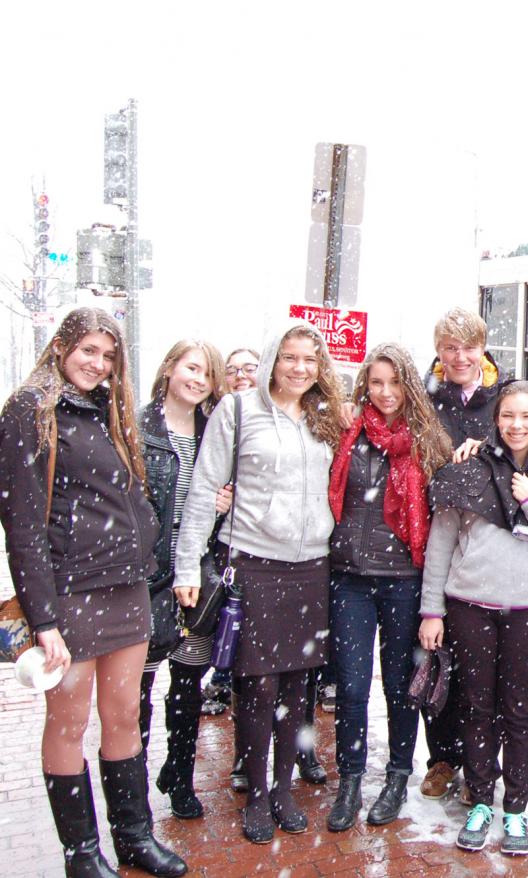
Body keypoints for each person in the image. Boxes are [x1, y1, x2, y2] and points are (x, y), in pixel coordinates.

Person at [0, 308, 187, 877]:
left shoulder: (109, 410)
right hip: (71, 592)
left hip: (126, 590)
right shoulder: (30, 411)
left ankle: (133, 837)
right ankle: (81, 852)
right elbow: (23, 527)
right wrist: (44, 618)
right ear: (62, 347)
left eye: (108, 355)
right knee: (68, 722)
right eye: (87, 350)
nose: (97, 364)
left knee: (124, 714)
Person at [173, 319, 344, 843]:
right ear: (274, 359)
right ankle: (258, 796)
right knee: (257, 682)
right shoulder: (239, 410)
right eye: (290, 357)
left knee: (298, 682)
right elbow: (205, 488)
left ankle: (285, 788)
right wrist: (186, 564)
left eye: (310, 360)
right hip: (255, 562)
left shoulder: (325, 418)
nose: (299, 368)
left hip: (312, 565)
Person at [418, 380, 528, 855]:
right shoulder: (468, 469)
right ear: (496, 419)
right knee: (477, 706)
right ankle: (481, 800)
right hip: (470, 606)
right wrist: (432, 610)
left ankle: (515, 811)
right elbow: (440, 544)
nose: (517, 425)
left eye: (527, 416)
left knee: (520, 712)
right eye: (508, 415)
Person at [325, 343, 451, 832]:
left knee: (401, 689)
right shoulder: (346, 428)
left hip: (403, 580)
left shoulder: (427, 440)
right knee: (353, 688)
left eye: (394, 382)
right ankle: (350, 781)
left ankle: (398, 776)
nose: (385, 393)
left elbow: (447, 514)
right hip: (349, 580)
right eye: (376, 383)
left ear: (409, 386)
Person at [137, 340, 229, 821]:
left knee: (188, 681)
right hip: (146, 573)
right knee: (139, 686)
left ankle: (179, 775)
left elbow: (222, 490)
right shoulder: (136, 427)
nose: (198, 379)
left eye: (207, 373)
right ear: (170, 368)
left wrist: (222, 504)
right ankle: (133, 788)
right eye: (191, 367)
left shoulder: (212, 431)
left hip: (198, 572)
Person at [418, 307, 503, 801]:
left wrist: (485, 447)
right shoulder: (425, 397)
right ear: (438, 350)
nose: (459, 357)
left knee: (481, 668)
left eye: (468, 347)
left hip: (483, 541)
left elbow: (524, 443)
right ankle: (441, 757)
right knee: (435, 656)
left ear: (482, 349)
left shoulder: (502, 394)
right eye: (450, 348)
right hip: (432, 536)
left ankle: (480, 764)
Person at [200, 347, 260, 719]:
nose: (240, 375)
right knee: (223, 612)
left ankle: (228, 680)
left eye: (249, 368)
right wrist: (216, 498)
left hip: (250, 537)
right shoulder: (215, 417)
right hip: (220, 537)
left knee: (241, 617)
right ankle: (221, 677)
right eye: (232, 369)